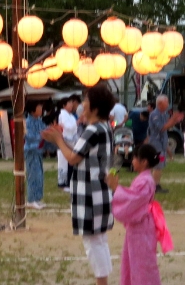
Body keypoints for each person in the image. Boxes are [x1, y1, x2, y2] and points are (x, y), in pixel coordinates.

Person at [42, 82, 116, 285]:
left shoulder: (93, 129)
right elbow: (86, 153)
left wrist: (57, 140)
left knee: (93, 241)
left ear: (95, 107)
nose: (83, 104)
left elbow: (73, 158)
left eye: (86, 101)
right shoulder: (105, 128)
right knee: (99, 240)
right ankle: (103, 281)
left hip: (90, 191)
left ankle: (102, 282)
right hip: (100, 189)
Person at [107, 144, 168, 285]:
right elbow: (133, 198)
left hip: (142, 229)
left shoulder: (145, 181)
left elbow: (133, 200)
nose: (132, 160)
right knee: (132, 264)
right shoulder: (144, 179)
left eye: (135, 158)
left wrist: (116, 187)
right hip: (138, 229)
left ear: (144, 162)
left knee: (143, 267)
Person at [146, 95, 178, 194]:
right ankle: (155, 186)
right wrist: (173, 120)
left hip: (162, 144)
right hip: (156, 144)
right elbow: (161, 128)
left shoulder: (163, 114)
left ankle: (156, 184)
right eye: (166, 102)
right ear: (160, 103)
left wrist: (173, 120)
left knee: (161, 164)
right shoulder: (155, 114)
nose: (168, 105)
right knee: (158, 165)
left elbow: (166, 127)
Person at [24, 101, 47, 209]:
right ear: (33, 109)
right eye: (39, 107)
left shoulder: (39, 121)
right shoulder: (28, 122)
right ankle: (31, 200)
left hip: (38, 150)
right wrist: (42, 135)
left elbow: (45, 130)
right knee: (33, 175)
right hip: (31, 150)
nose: (41, 109)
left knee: (39, 176)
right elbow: (29, 136)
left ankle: (37, 198)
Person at [56, 95, 80, 192]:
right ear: (64, 105)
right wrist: (77, 122)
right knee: (63, 163)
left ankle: (69, 182)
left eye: (71, 103)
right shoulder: (62, 115)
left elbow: (74, 128)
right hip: (65, 141)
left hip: (72, 141)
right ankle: (63, 183)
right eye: (69, 103)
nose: (71, 105)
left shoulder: (70, 115)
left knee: (70, 162)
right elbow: (67, 127)